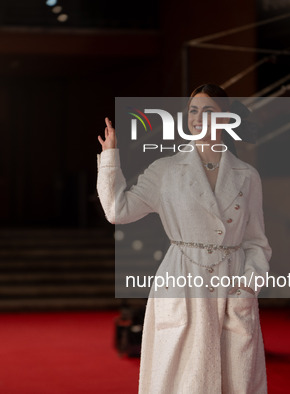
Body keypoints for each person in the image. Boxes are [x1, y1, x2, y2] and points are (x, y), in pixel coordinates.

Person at [96, 83, 271, 393]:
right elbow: (117, 210)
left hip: (231, 284)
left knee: (235, 378)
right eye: (193, 110)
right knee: (178, 378)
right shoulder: (165, 170)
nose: (198, 117)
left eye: (208, 110)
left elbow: (256, 242)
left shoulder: (247, 175)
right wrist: (110, 159)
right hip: (182, 280)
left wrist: (247, 285)